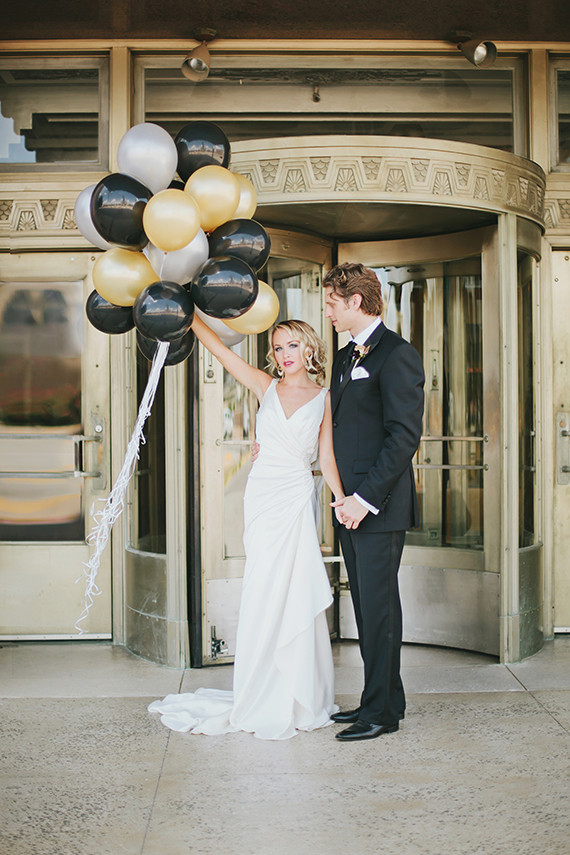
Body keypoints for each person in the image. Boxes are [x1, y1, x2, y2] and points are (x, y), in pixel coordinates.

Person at [149, 315, 345, 740]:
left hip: (296, 497)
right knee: (263, 588)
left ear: (309, 347)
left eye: (292, 345)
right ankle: (259, 691)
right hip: (263, 499)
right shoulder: (265, 386)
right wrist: (188, 308)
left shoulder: (326, 397)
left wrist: (341, 499)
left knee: (294, 588)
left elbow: (325, 458)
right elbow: (219, 350)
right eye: (277, 348)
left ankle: (298, 693)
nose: (284, 355)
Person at [324, 262, 425, 741]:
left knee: (381, 610)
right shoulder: (345, 358)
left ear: (355, 302)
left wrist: (364, 500)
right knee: (366, 608)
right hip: (348, 506)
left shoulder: (397, 355)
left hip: (377, 508)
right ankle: (383, 698)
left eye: (331, 303)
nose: (327, 311)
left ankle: (380, 714)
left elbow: (403, 438)